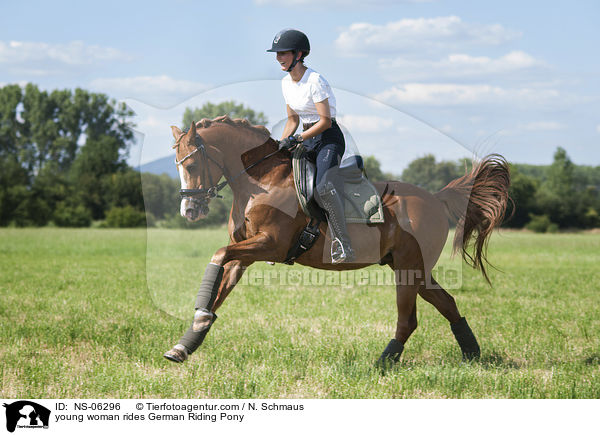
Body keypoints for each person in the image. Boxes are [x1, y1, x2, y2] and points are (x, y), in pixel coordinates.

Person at [267, 28, 355, 263]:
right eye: (276, 54)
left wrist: (297, 139)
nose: (278, 58)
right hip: (306, 137)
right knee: (282, 183)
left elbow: (325, 121)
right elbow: (293, 120)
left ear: (298, 54)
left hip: (328, 138)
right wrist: (280, 144)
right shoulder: (286, 83)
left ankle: (343, 243)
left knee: (323, 188)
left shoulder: (315, 80)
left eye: (282, 53)